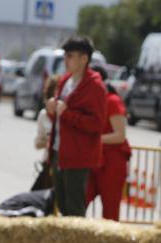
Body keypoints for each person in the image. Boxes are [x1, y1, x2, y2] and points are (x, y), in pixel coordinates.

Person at [47, 35, 107, 216]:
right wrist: (52, 111)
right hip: (59, 151)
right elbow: (60, 118)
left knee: (74, 209)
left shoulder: (95, 86)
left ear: (84, 58)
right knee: (63, 205)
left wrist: (67, 114)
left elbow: (97, 124)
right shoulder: (65, 81)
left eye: (70, 56)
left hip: (78, 155)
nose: (66, 60)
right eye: (65, 55)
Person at [86, 65, 131, 221]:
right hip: (93, 158)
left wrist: (92, 140)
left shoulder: (112, 101)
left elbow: (119, 135)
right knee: (78, 202)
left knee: (110, 211)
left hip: (112, 161)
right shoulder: (92, 101)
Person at [31, 75, 59, 191]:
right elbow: (37, 144)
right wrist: (51, 140)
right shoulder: (43, 115)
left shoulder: (66, 115)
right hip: (48, 163)